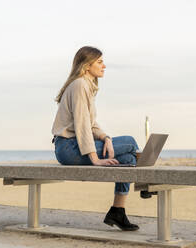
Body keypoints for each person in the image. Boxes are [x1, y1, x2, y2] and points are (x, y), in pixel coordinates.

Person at [51, 46, 139, 231]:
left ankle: (118, 211)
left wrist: (106, 137)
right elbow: (82, 125)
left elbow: (90, 124)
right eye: (99, 62)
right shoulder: (80, 84)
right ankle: (146, 182)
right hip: (69, 148)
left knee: (128, 160)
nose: (104, 66)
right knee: (130, 142)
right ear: (86, 65)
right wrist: (95, 158)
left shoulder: (86, 86)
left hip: (72, 147)